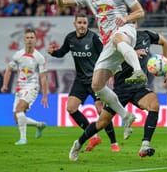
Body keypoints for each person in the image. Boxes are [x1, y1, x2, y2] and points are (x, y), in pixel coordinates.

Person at [54, 0, 146, 138]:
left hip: (125, 30)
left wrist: (126, 18)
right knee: (97, 85)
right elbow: (63, 2)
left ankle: (138, 71)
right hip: (109, 42)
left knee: (118, 37)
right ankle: (126, 115)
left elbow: (140, 12)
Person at [68, 29, 167, 161]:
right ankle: (78, 144)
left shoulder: (146, 35)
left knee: (154, 105)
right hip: (121, 90)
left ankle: (145, 145)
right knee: (102, 123)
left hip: (139, 87)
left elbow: (165, 42)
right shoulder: (117, 39)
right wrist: (132, 53)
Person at [47, 13, 119, 152]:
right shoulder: (70, 38)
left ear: (87, 24)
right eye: (79, 22)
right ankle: (93, 137)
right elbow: (62, 52)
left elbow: (106, 56)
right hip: (80, 80)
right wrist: (53, 53)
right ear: (75, 24)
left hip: (96, 80)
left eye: (84, 23)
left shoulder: (93, 38)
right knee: (71, 108)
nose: (82, 25)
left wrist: (109, 73)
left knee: (101, 111)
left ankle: (113, 143)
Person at [1, 28, 48, 145]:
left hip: (32, 87)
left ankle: (23, 139)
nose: (29, 40)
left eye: (32, 38)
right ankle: (39, 125)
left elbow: (43, 77)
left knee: (19, 110)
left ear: (36, 40)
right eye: (27, 38)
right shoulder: (18, 55)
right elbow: (9, 69)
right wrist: (5, 85)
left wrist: (45, 96)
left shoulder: (39, 57)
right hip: (19, 88)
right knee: (17, 118)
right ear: (24, 39)